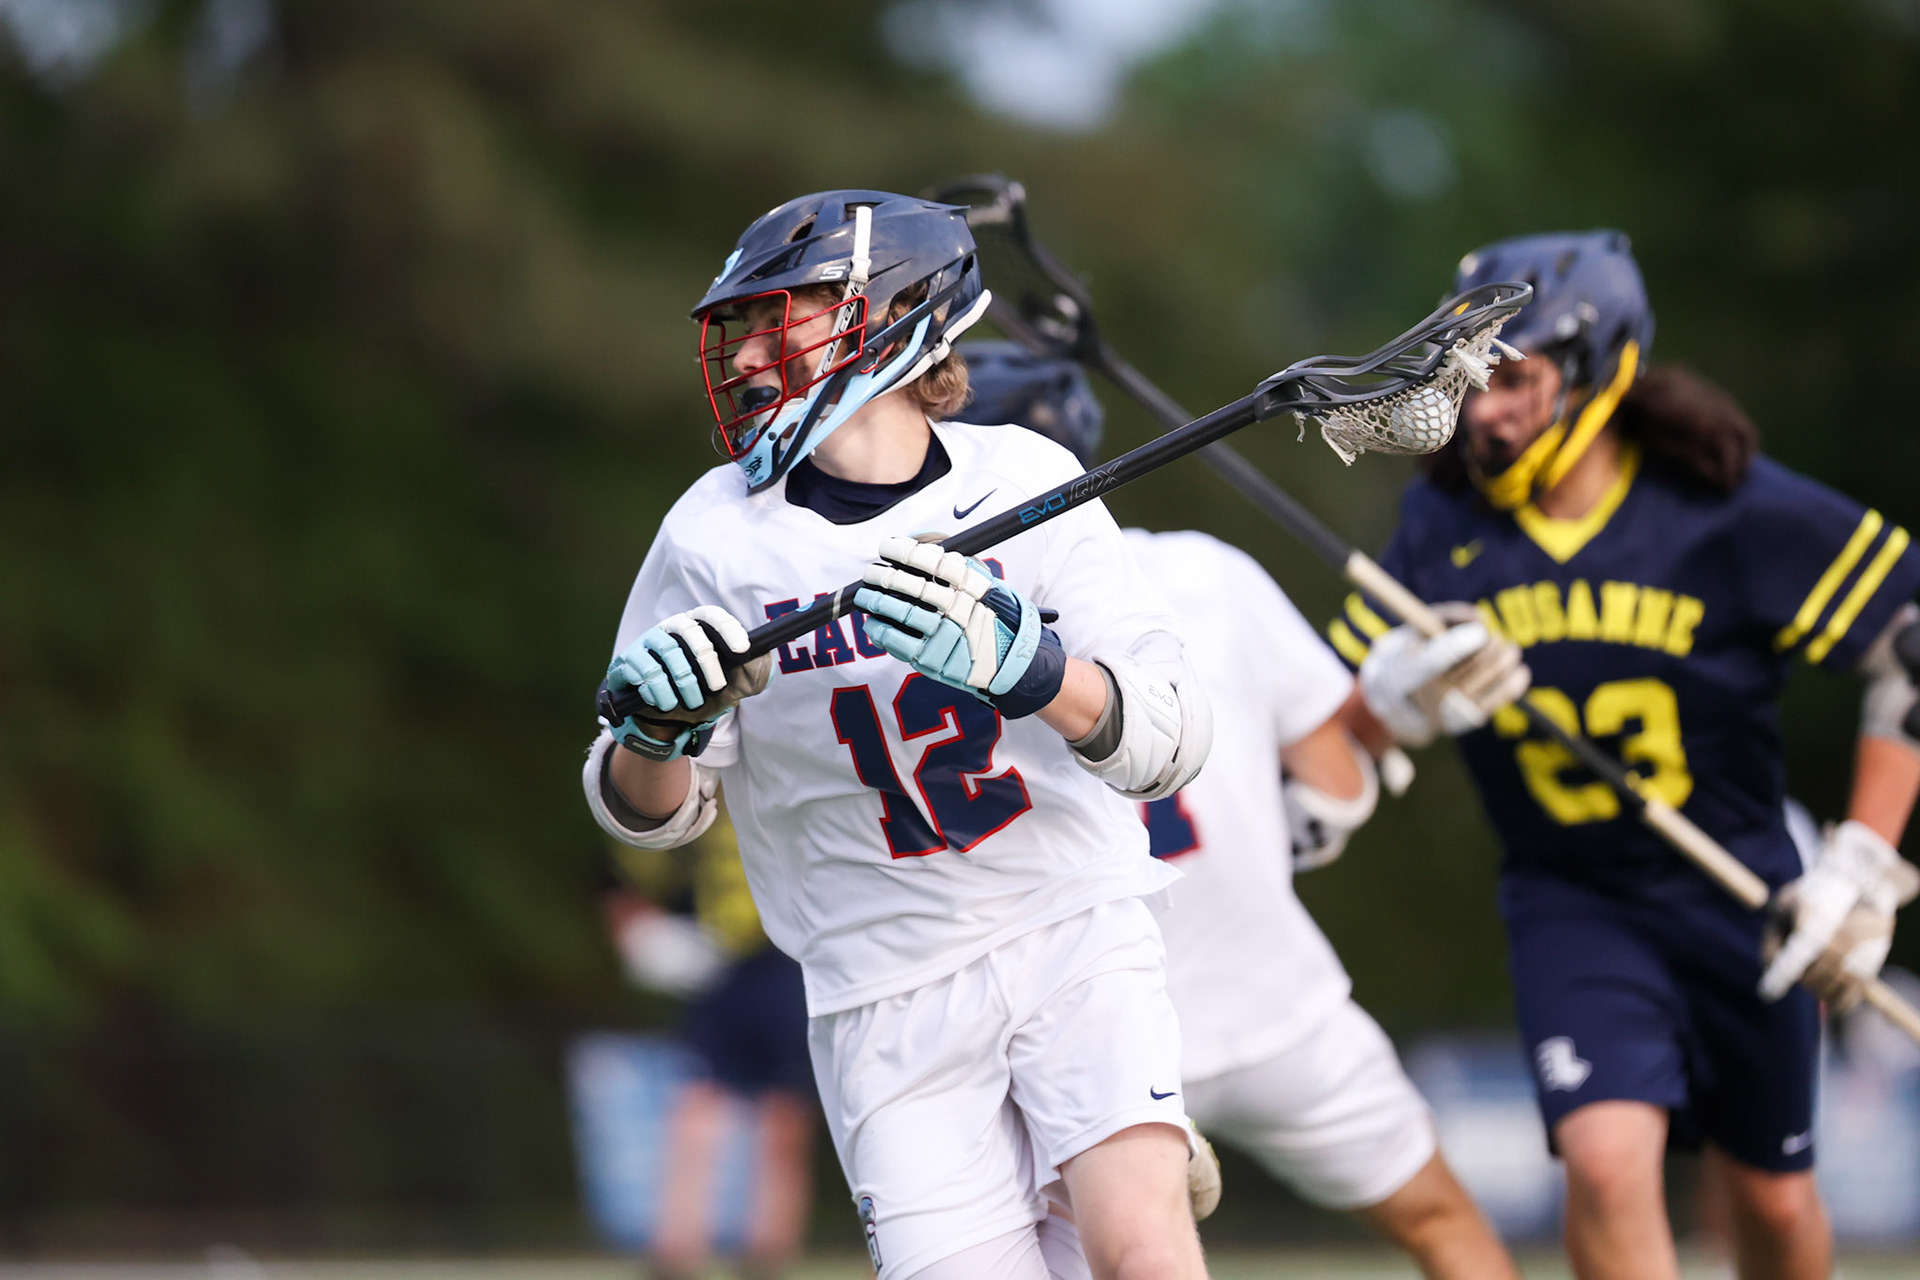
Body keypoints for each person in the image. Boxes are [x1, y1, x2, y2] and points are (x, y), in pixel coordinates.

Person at [583, 191, 1214, 1280]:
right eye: (742, 330)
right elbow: (648, 813)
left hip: (1069, 926)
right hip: (880, 986)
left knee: (1141, 1251)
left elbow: (1171, 740)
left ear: (891, 312)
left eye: (781, 319)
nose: (746, 357)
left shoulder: (1026, 482)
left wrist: (1035, 673)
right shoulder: (713, 534)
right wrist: (656, 730)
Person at [1332, 230, 1920, 1280]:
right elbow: (1331, 729)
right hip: (1573, 895)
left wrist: (1866, 862)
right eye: (1470, 379)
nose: (1484, 410)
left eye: (1515, 378)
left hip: (1740, 885)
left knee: (1775, 1203)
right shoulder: (1441, 520)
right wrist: (1400, 695)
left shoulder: (1725, 506)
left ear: (1599, 366)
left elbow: (1909, 646)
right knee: (1605, 1166)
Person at [958, 341, 1519, 1280]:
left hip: (1076, 1033)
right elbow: (1335, 787)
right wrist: (1386, 707)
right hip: (1274, 998)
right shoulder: (1203, 573)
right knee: (1441, 1222)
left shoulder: (909, 646)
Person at [598, 807, 815, 1280]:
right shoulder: (699, 799)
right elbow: (625, 870)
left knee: (783, 1118)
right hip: (721, 962)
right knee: (697, 1108)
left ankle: (766, 1257)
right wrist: (642, 933)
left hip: (786, 961)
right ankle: (675, 1253)